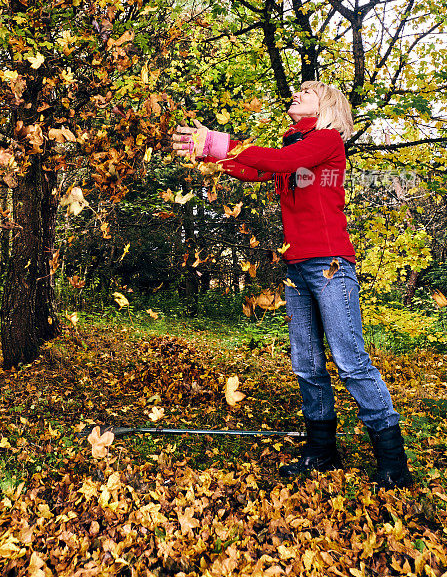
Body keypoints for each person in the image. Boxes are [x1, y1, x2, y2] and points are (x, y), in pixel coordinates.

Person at [172, 81, 412, 488]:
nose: (294, 96)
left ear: (327, 106)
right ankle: (322, 452)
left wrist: (218, 143)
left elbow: (279, 162)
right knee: (306, 362)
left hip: (330, 264)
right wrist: (210, 156)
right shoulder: (297, 151)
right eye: (295, 92)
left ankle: (393, 462)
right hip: (298, 267)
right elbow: (256, 169)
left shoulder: (326, 141)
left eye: (305, 93)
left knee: (349, 359)